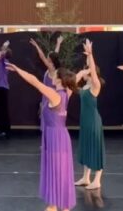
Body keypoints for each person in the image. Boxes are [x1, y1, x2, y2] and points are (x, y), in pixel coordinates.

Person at [7, 64, 77, 211]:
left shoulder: (54, 94)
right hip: (59, 137)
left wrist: (18, 69)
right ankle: (54, 204)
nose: (51, 75)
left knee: (58, 170)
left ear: (58, 79)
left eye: (54, 74)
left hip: (56, 138)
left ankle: (63, 206)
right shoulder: (66, 92)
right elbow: (79, 75)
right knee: (58, 170)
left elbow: (34, 81)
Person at [74, 39, 105, 190]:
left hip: (93, 122)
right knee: (86, 147)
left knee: (95, 149)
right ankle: (86, 177)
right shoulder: (85, 86)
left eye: (89, 71)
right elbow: (74, 80)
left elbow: (92, 69)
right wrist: (87, 56)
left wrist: (91, 55)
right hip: (85, 121)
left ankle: (97, 180)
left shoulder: (95, 86)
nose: (86, 71)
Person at [0, 41, 12, 139]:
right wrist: (3, 48)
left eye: (2, 52)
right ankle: (2, 129)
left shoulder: (5, 62)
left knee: (3, 110)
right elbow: (0, 54)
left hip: (2, 88)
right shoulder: (0, 62)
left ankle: (6, 130)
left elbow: (2, 54)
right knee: (0, 110)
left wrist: (4, 46)